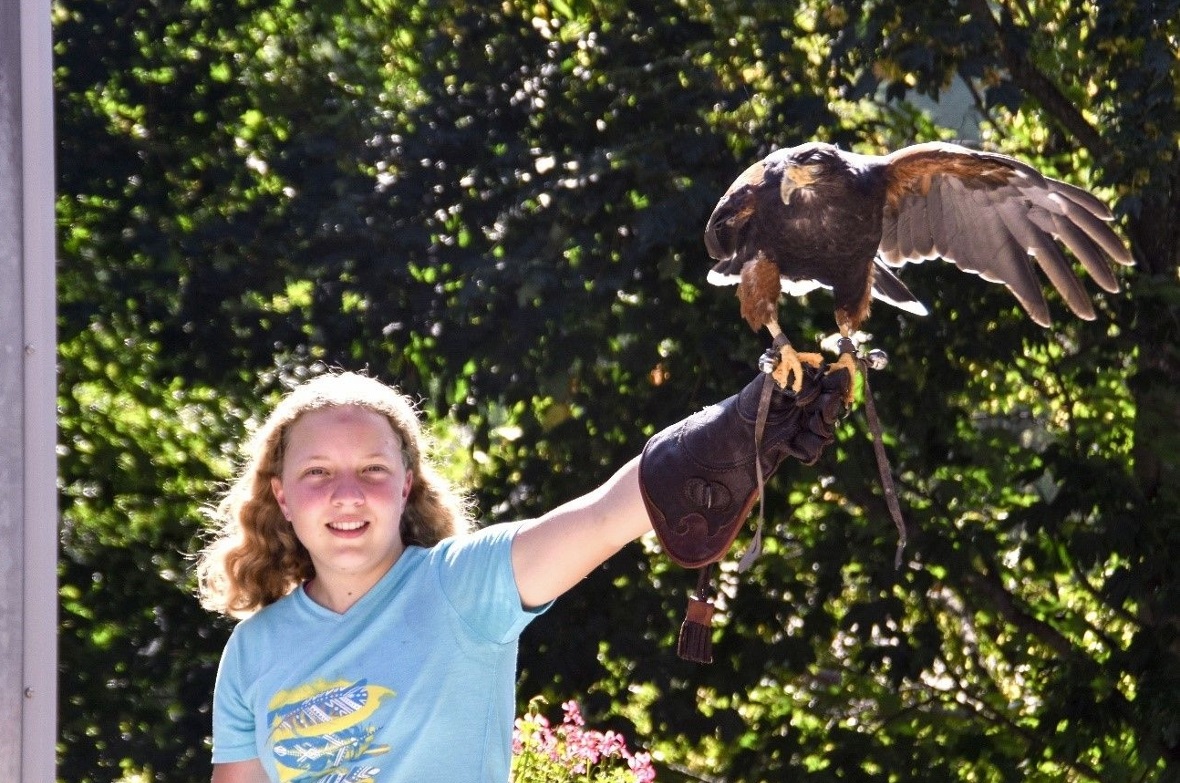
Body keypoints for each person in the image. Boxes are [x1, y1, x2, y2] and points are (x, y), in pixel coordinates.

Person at [197, 365, 848, 783]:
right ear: (282, 496)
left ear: (405, 487)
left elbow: (600, 517)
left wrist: (738, 428)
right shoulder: (254, 651)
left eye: (372, 469)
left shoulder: (461, 586)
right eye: (317, 473)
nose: (347, 493)